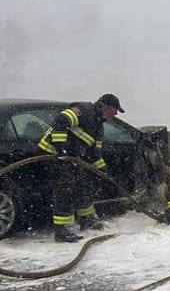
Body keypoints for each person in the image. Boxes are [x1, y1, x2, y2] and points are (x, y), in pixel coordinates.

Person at [38, 93, 125, 242]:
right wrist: (61, 150)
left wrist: (104, 172)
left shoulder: (98, 128)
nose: (116, 114)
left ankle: (87, 220)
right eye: (115, 110)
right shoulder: (84, 111)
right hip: (52, 154)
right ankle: (63, 231)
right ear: (106, 107)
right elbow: (61, 121)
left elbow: (95, 154)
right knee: (65, 190)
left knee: (84, 185)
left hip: (71, 159)